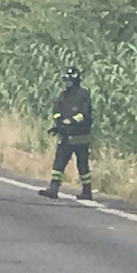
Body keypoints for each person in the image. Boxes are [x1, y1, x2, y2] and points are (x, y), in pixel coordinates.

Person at [39, 66, 92, 201]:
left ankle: (87, 191)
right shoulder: (63, 96)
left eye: (69, 80)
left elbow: (84, 114)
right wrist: (58, 121)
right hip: (65, 136)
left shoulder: (83, 95)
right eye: (66, 80)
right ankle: (53, 188)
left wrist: (71, 121)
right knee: (58, 164)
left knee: (82, 165)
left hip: (80, 137)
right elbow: (56, 110)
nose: (67, 83)